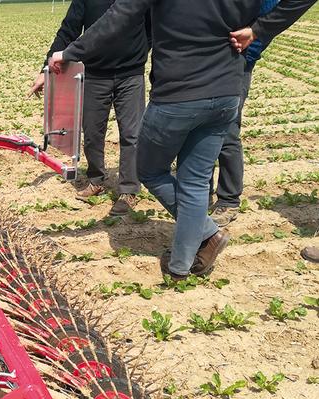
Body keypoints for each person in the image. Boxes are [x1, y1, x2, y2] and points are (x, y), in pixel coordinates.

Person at [48, 0, 263, 280]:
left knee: (147, 168)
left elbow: (122, 15)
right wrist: (260, 30)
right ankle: (181, 267)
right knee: (196, 181)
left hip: (179, 92)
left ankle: (208, 232)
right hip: (226, 91)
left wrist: (71, 52)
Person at [27, 0, 149, 216]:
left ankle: (129, 189)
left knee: (132, 134)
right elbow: (68, 31)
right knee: (92, 131)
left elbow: (152, 27)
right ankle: (96, 180)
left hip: (130, 74)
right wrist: (45, 69)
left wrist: (137, 53)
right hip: (94, 74)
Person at [229, 0, 318, 262]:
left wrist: (253, 40)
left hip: (237, 56)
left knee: (227, 130)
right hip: (202, 56)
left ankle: (227, 198)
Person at [210, 0, 280, 228]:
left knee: (228, 132)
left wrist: (246, 58)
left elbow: (270, 16)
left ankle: (228, 200)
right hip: (201, 63)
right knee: (198, 130)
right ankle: (200, 194)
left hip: (235, 63)